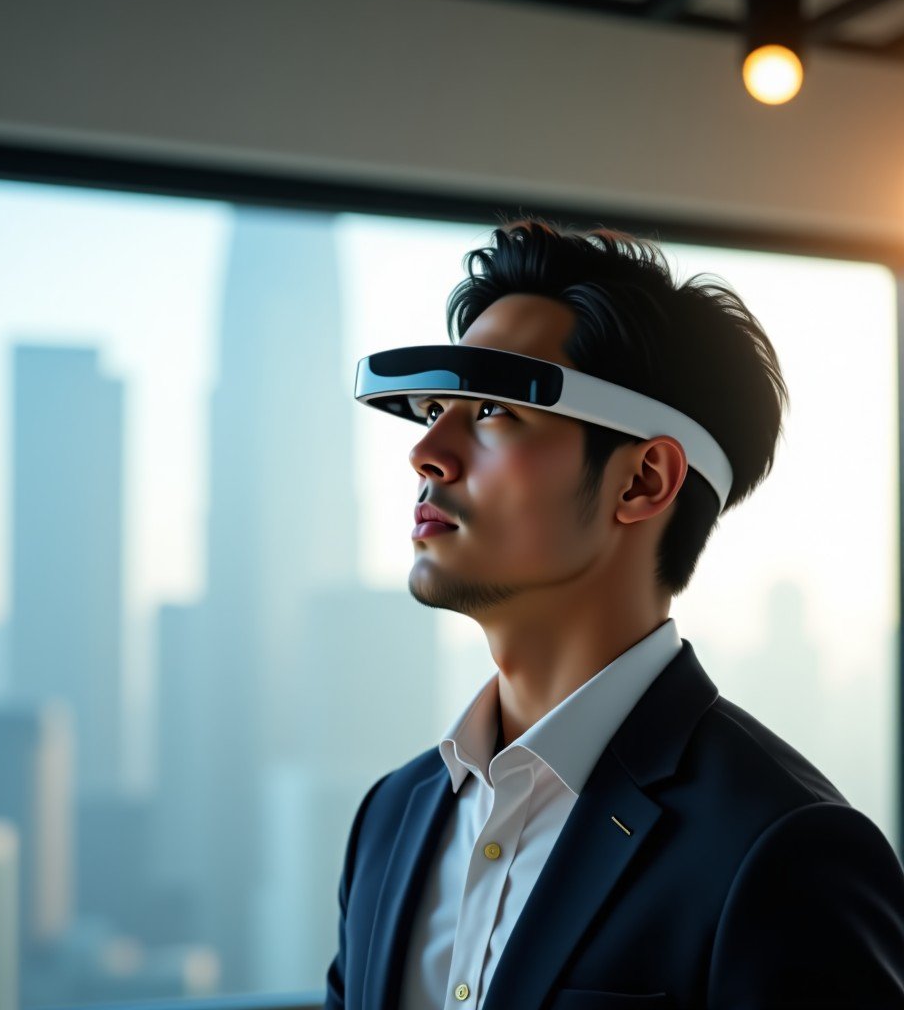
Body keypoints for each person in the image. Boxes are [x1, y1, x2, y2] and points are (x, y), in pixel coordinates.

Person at [324, 218, 904, 1009]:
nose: (429, 451)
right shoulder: (391, 818)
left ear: (643, 482)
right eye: (432, 409)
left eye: (493, 411)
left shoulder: (780, 849)